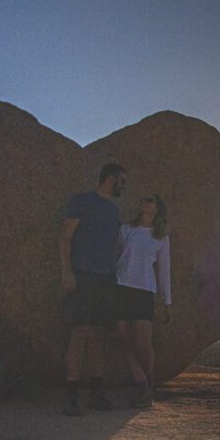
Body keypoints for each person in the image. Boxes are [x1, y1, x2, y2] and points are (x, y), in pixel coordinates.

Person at [59, 163, 126, 416]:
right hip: (83, 275)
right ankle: (71, 396)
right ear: (109, 179)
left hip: (106, 278)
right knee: (80, 333)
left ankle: (97, 394)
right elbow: (65, 236)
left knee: (99, 334)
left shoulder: (112, 210)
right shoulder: (83, 201)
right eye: (122, 181)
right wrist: (67, 271)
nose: (123, 186)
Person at [114, 193, 171, 408]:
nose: (144, 203)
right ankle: (142, 388)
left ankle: (149, 382)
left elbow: (164, 270)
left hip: (144, 291)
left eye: (150, 200)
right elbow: (116, 255)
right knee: (123, 340)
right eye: (143, 199)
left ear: (156, 208)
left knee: (143, 344)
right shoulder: (126, 230)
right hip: (121, 288)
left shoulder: (161, 238)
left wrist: (167, 302)